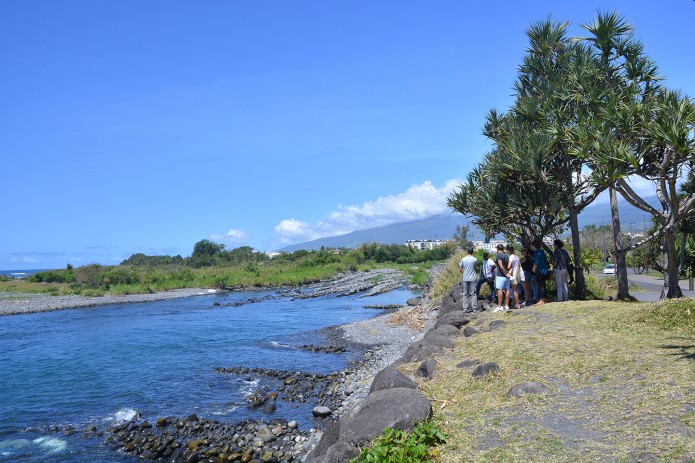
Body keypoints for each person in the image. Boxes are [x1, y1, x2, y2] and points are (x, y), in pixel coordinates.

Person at [459, 246, 478, 312]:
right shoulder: (475, 259)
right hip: (473, 278)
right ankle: (474, 308)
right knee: (474, 294)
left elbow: (460, 269)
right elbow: (475, 268)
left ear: (467, 251)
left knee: (465, 294)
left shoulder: (463, 259)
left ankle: (465, 309)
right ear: (472, 252)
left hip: (465, 278)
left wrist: (464, 272)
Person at [531, 239, 549, 305]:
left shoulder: (537, 252)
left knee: (540, 285)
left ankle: (541, 299)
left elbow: (536, 263)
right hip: (544, 270)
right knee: (543, 285)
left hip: (540, 271)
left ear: (534, 246)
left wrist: (533, 270)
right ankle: (544, 299)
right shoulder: (542, 251)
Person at [494, 243, 511, 312]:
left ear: (497, 249)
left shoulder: (498, 255)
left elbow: (501, 266)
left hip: (501, 275)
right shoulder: (506, 256)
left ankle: (499, 306)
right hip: (507, 275)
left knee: (499, 289)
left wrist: (505, 273)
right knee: (507, 289)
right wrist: (508, 273)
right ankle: (506, 305)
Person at [507, 245, 521, 309]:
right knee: (515, 289)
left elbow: (509, 266)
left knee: (514, 290)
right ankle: (514, 302)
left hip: (513, 275)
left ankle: (517, 304)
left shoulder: (511, 257)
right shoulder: (516, 256)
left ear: (508, 250)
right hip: (518, 274)